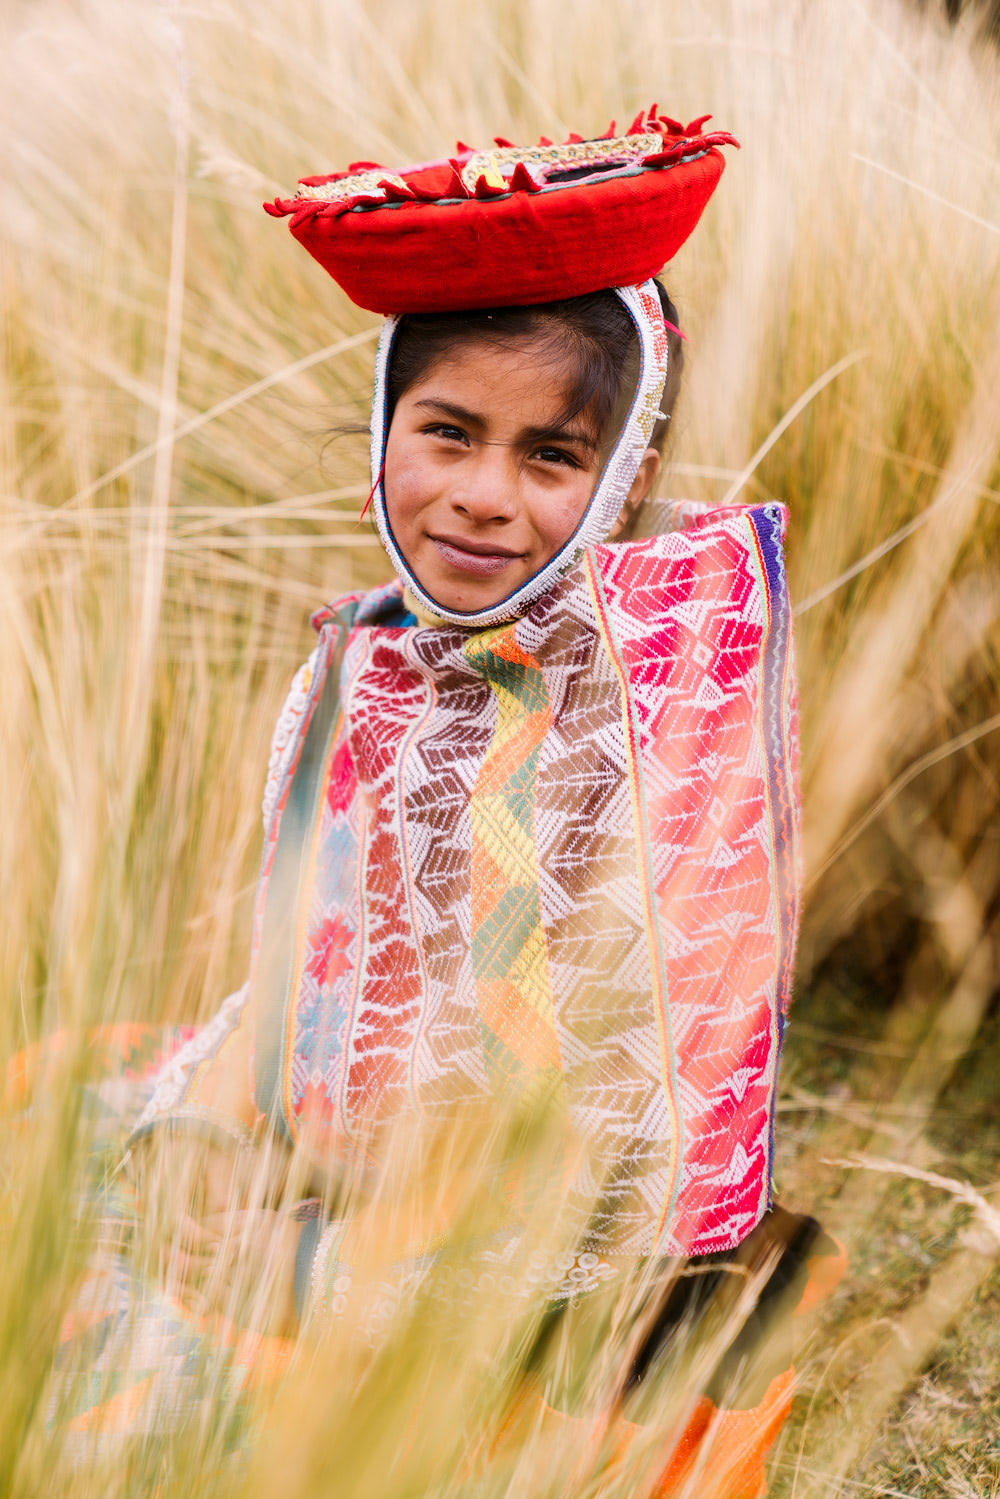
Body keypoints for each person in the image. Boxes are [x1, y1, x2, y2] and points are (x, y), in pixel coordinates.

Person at [46, 110, 842, 1489]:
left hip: (532, 1236)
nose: (483, 499)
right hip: (347, 1171)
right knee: (100, 1156)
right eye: (449, 433)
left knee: (218, 1332)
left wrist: (318, 1231)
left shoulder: (649, 694)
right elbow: (309, 962)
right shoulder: (376, 661)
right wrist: (211, 1137)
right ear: (382, 431)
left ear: (624, 479)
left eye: (551, 457)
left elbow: (612, 1104)